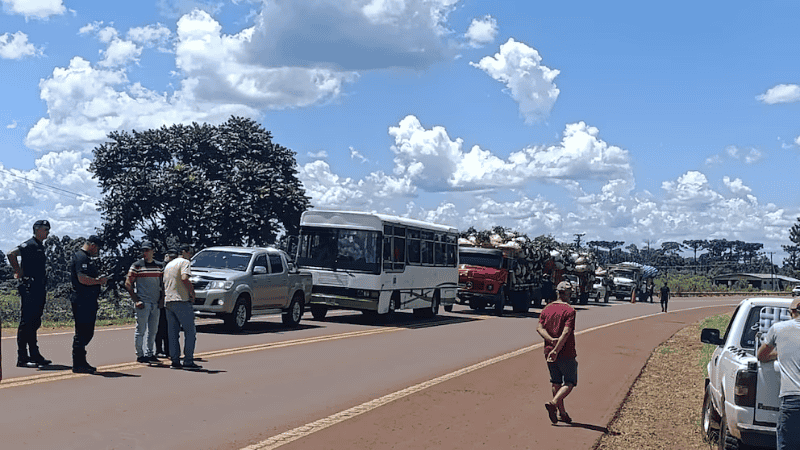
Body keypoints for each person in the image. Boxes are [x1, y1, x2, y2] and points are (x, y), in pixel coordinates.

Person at [7, 219, 53, 368]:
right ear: (37, 229)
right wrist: (18, 271)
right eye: (45, 229)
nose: (48, 232)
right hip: (29, 288)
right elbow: (11, 254)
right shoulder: (30, 244)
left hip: (38, 287)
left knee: (34, 322)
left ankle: (34, 354)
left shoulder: (40, 246)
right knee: (26, 322)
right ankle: (22, 357)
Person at [757, 298, 800, 450]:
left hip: (792, 400)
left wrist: (779, 354)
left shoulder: (778, 328)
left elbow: (761, 355)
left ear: (792, 312)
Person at [537, 281, 577, 425]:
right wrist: (557, 349)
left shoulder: (547, 308)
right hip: (565, 352)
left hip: (548, 351)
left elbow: (539, 328)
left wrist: (551, 341)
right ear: (568, 294)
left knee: (555, 382)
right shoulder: (570, 311)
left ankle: (562, 413)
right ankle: (554, 403)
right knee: (570, 381)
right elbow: (566, 332)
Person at [69, 235, 108, 374]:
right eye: (98, 248)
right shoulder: (81, 257)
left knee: (87, 332)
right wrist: (98, 281)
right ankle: (78, 363)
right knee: (82, 332)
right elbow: (82, 279)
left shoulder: (86, 258)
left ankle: (81, 362)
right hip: (82, 300)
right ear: (92, 245)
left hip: (88, 300)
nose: (98, 251)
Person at [124, 241, 164, 364]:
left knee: (153, 331)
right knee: (141, 330)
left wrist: (162, 299)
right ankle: (140, 354)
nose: (145, 253)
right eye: (143, 250)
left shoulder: (159, 266)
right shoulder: (137, 266)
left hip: (155, 303)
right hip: (143, 303)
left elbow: (163, 284)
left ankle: (150, 353)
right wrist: (136, 300)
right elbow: (128, 283)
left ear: (153, 251)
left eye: (147, 250)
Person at [163, 244, 201, 370]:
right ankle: (188, 361)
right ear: (184, 252)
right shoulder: (185, 263)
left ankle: (175, 360)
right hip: (181, 300)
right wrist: (192, 292)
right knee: (190, 332)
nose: (191, 256)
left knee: (173, 333)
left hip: (169, 300)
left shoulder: (169, 265)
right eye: (190, 253)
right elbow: (184, 278)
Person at [155, 248, 178, 358]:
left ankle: (169, 350)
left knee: (170, 327)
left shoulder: (176, 268)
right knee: (160, 327)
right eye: (170, 257)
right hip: (161, 299)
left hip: (172, 299)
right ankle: (159, 350)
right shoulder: (161, 267)